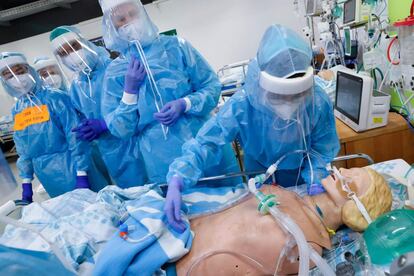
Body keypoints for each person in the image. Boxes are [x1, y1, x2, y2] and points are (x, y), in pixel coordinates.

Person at [164, 24, 340, 232]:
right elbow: (207, 142)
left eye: (297, 96)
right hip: (260, 175)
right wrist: (178, 177)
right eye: (281, 96)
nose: (289, 104)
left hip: (303, 174)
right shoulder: (243, 104)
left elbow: (322, 146)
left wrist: (315, 177)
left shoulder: (316, 101)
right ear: (265, 86)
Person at [98, 0, 240, 184]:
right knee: (186, 208)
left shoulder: (176, 47)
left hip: (205, 142)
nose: (129, 22)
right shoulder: (115, 72)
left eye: (132, 14)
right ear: (112, 26)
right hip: (161, 157)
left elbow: (211, 86)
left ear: (142, 13)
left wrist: (185, 104)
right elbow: (119, 129)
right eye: (121, 19)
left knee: (233, 202)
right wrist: (130, 92)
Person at [175, 167, 392, 275]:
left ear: (356, 208)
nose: (341, 170)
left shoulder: (306, 246)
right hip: (179, 231)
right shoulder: (296, 199)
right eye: (348, 168)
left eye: (351, 179)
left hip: (177, 264)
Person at [0, 52, 109, 201]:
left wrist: (82, 173)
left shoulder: (56, 98)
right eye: (9, 76)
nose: (17, 79)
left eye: (19, 72)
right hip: (47, 175)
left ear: (29, 71)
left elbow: (75, 136)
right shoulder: (17, 109)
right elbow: (23, 148)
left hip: (74, 167)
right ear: (4, 81)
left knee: (100, 209)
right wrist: (26, 182)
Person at [49, 26, 147, 188]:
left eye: (74, 47)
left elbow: (144, 107)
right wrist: (84, 129)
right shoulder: (77, 87)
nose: (71, 55)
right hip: (112, 153)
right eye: (63, 53)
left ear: (85, 43)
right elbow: (83, 117)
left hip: (139, 145)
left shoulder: (117, 68)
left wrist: (105, 124)